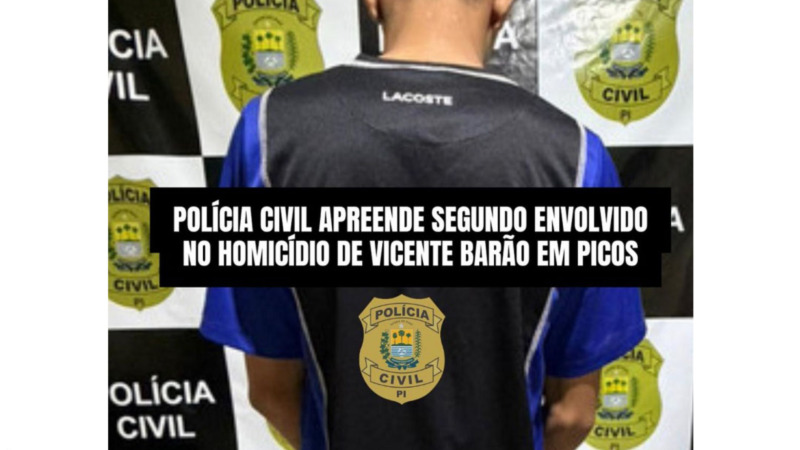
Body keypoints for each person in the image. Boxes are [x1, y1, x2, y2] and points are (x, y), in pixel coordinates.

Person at [200, 0, 646, 449]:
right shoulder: (577, 158)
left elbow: (271, 390)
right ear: (501, 5)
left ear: (372, 3)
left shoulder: (267, 133)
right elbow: (573, 414)